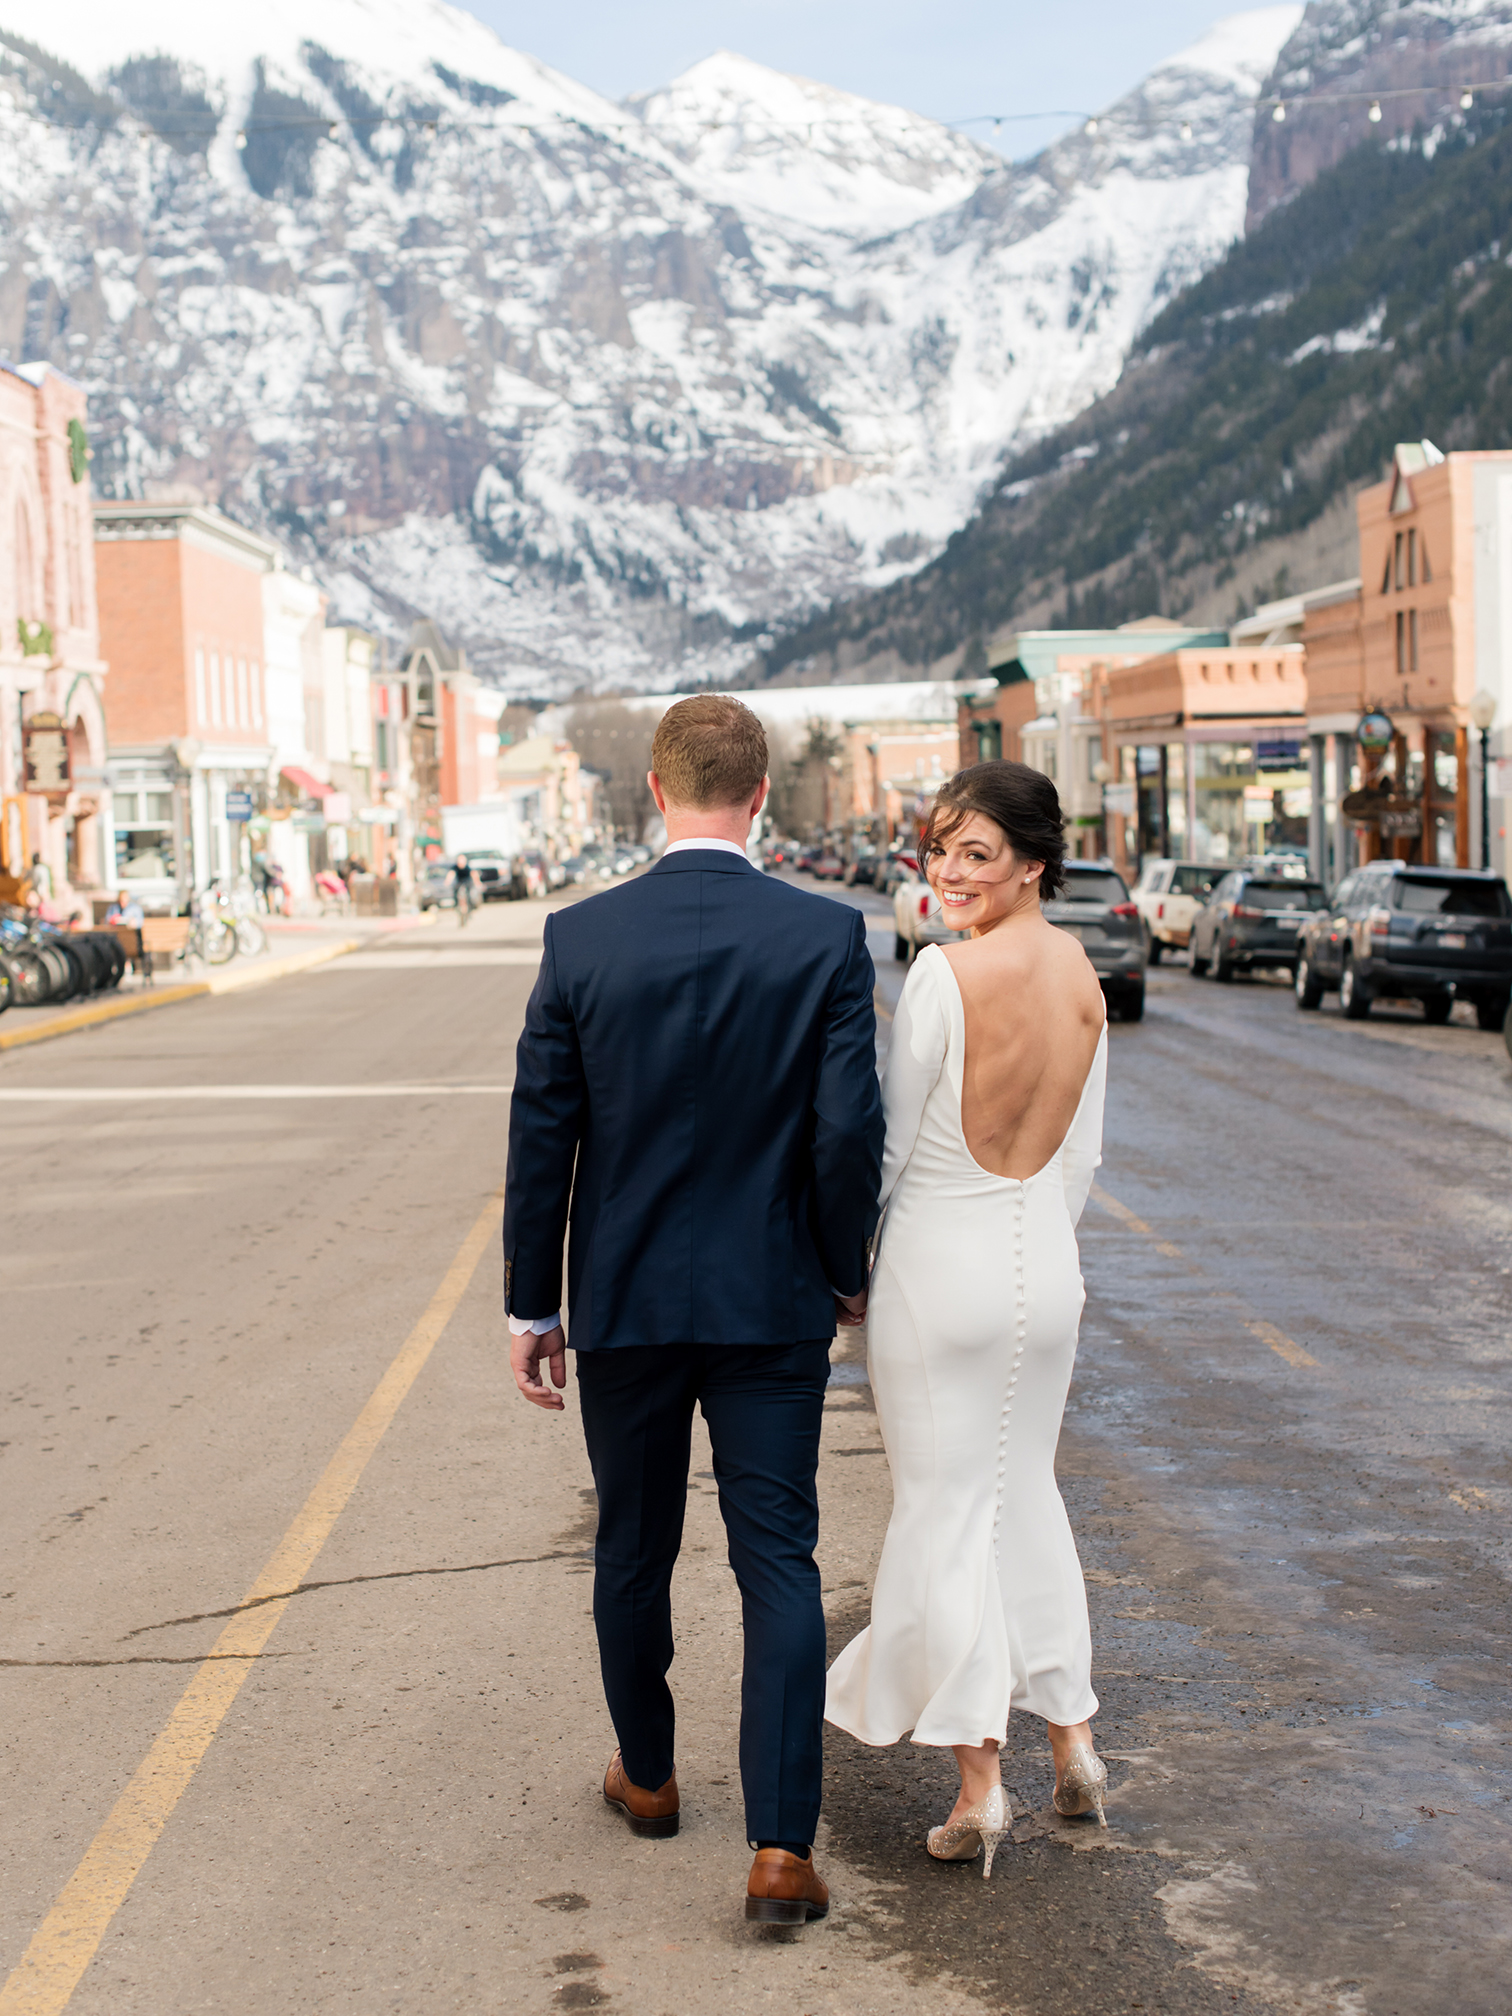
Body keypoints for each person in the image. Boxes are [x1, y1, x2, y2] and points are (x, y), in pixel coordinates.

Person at [504, 694, 884, 1926]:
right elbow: (845, 1137)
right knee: (779, 1559)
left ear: (657, 793)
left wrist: (530, 1307)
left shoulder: (580, 939)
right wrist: (845, 1270)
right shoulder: (825, 940)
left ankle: (652, 1776)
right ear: (761, 796)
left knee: (635, 1545)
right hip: (771, 1299)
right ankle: (782, 1849)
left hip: (625, 1304)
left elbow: (542, 1138)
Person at [825, 760, 1110, 1878]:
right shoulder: (1082, 974)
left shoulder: (945, 976)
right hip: (1045, 1259)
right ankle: (1073, 1741)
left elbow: (891, 1150)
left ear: (1033, 863)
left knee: (945, 1512)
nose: (948, 870)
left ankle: (979, 1786)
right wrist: (1035, 1237)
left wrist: (855, 1271)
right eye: (938, 848)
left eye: (975, 852)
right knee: (1024, 1495)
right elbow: (1081, 1154)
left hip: (944, 1265)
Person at [452, 852, 474, 924]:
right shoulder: (455, 867)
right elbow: (451, 873)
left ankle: (470, 909)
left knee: (469, 895)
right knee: (455, 891)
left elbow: (473, 874)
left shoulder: (467, 867)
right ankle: (456, 904)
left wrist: (477, 883)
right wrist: (447, 881)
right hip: (460, 882)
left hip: (467, 882)